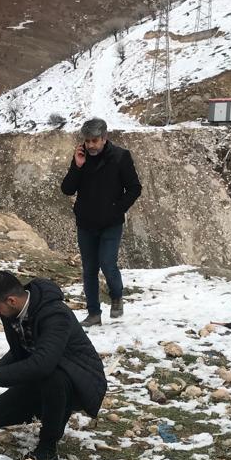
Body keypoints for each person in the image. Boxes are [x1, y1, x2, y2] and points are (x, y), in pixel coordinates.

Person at [0, 271, 107, 460]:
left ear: (11, 301)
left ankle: (48, 448)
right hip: (44, 376)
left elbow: (43, 363)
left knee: (53, 377)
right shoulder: (11, 313)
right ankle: (52, 410)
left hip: (79, 379)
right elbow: (20, 350)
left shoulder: (55, 314)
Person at [61, 117, 142, 326]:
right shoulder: (81, 158)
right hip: (86, 224)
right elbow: (67, 189)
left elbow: (134, 188)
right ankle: (94, 314)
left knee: (107, 263)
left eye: (94, 141)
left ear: (104, 138)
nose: (90, 145)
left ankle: (116, 296)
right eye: (87, 141)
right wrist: (77, 167)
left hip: (110, 224)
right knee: (89, 269)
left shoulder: (121, 157)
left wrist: (117, 209)